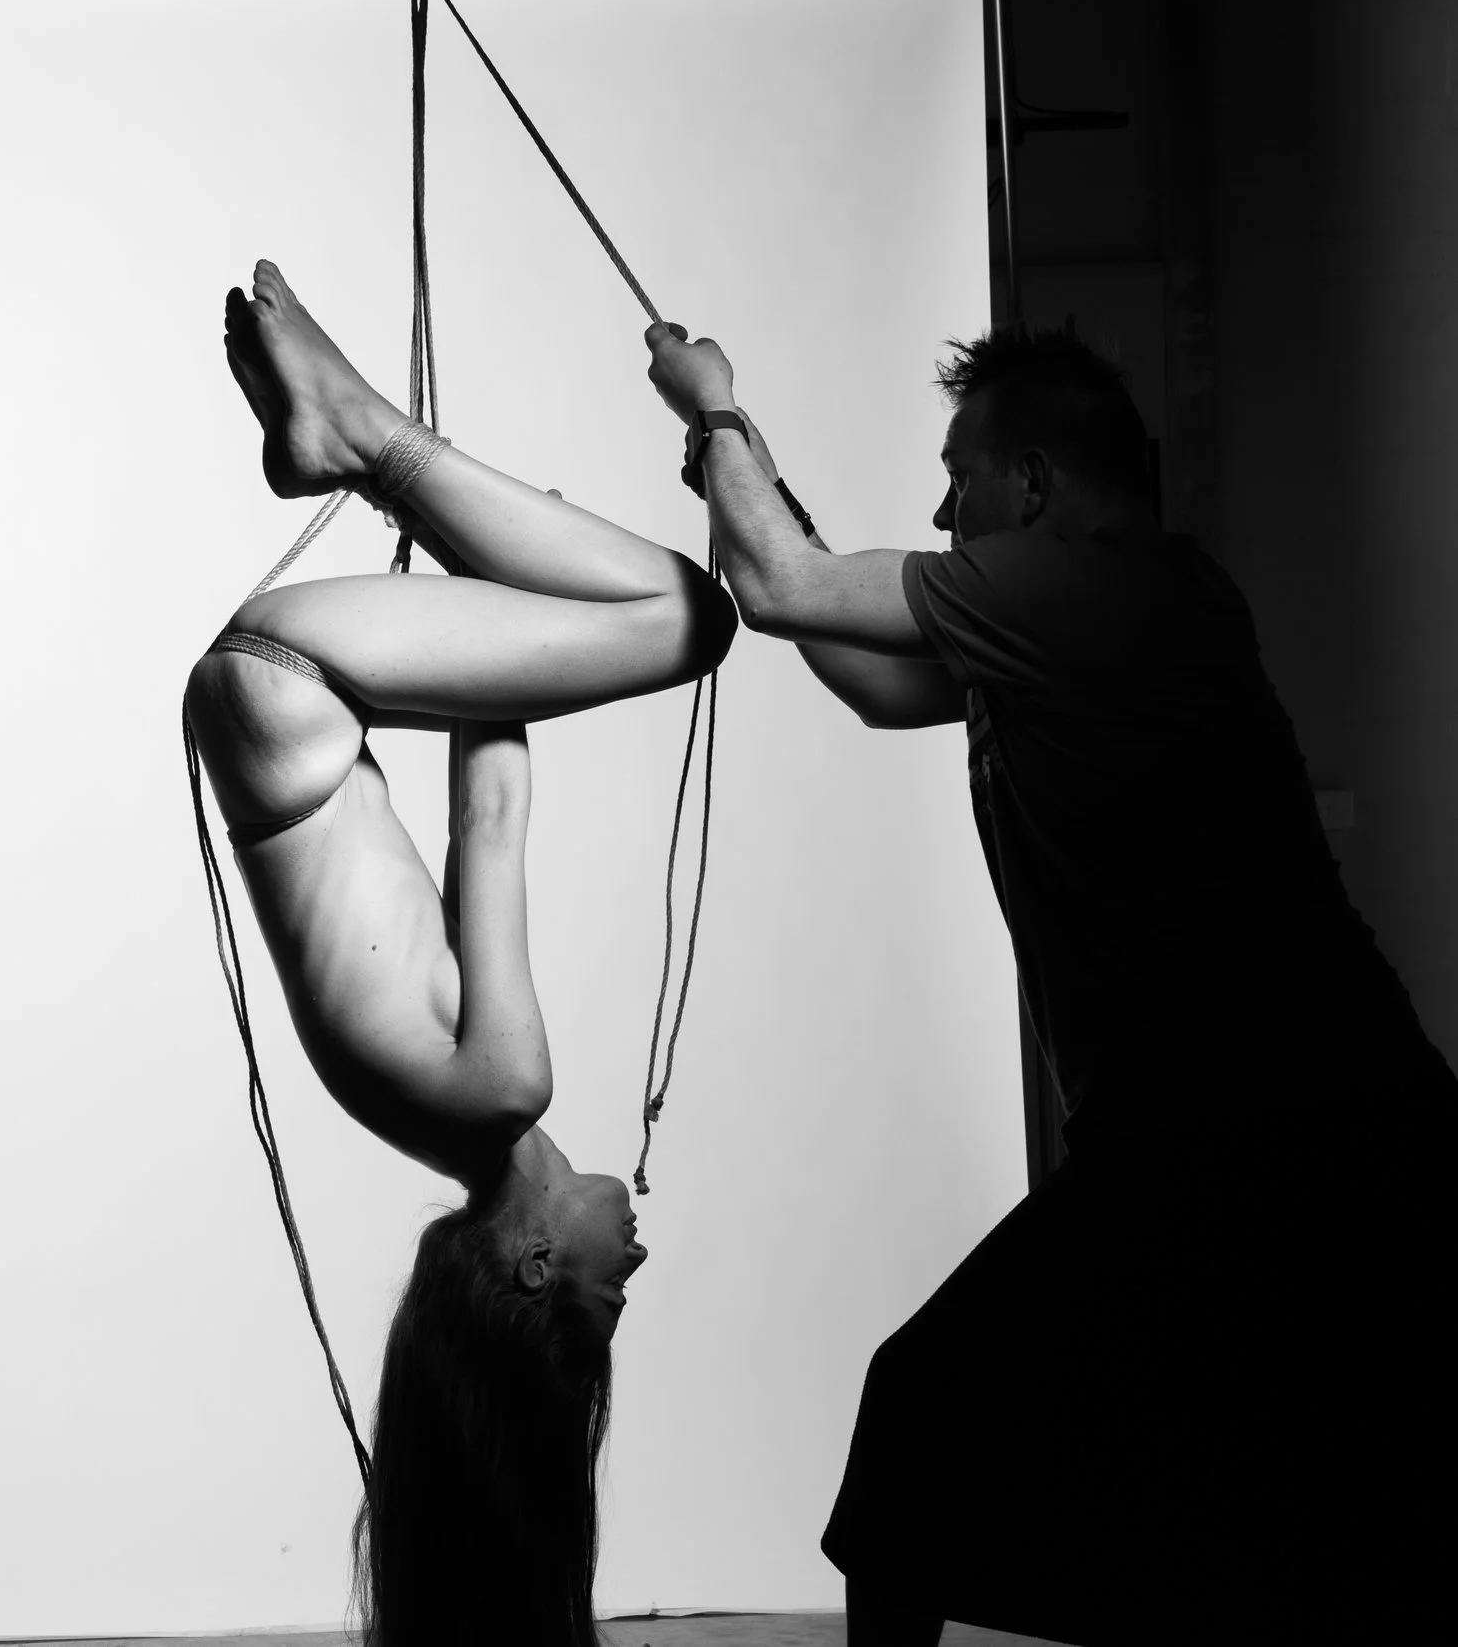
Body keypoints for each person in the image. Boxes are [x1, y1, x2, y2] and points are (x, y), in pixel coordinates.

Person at [641, 319, 1454, 1645]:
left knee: (928, 1418)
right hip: (1224, 1147)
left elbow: (790, 589)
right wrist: (741, 463)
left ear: (1033, 483)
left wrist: (719, 411)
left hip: (1302, 1144)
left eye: (961, 473)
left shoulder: (1105, 590)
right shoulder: (1051, 623)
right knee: (1225, 1511)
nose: (942, 505)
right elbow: (857, 668)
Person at [186, 262, 735, 1647]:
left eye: (611, 1291)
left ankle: (358, 433)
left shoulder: (503, 1089)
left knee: (688, 618)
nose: (637, 1262)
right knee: (642, 612)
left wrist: (508, 599)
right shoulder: (445, 1120)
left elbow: (491, 804)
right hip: (277, 714)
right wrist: (507, 613)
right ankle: (357, 438)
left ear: (543, 1266)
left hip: (293, 686)